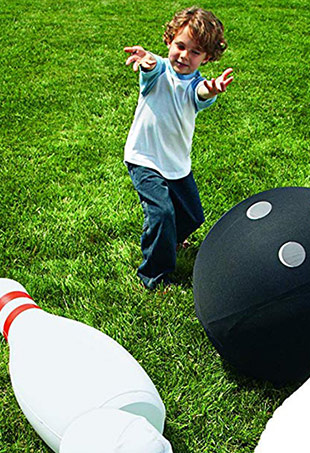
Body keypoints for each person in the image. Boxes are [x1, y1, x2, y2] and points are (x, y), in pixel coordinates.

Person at [124, 6, 234, 290]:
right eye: (180, 46)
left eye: (195, 52)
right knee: (161, 213)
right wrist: (147, 62)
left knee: (193, 215)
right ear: (169, 41)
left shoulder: (197, 84)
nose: (184, 56)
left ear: (207, 57)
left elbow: (200, 93)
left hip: (176, 163)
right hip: (144, 157)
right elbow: (150, 67)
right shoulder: (159, 70)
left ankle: (168, 239)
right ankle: (153, 275)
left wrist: (213, 89)